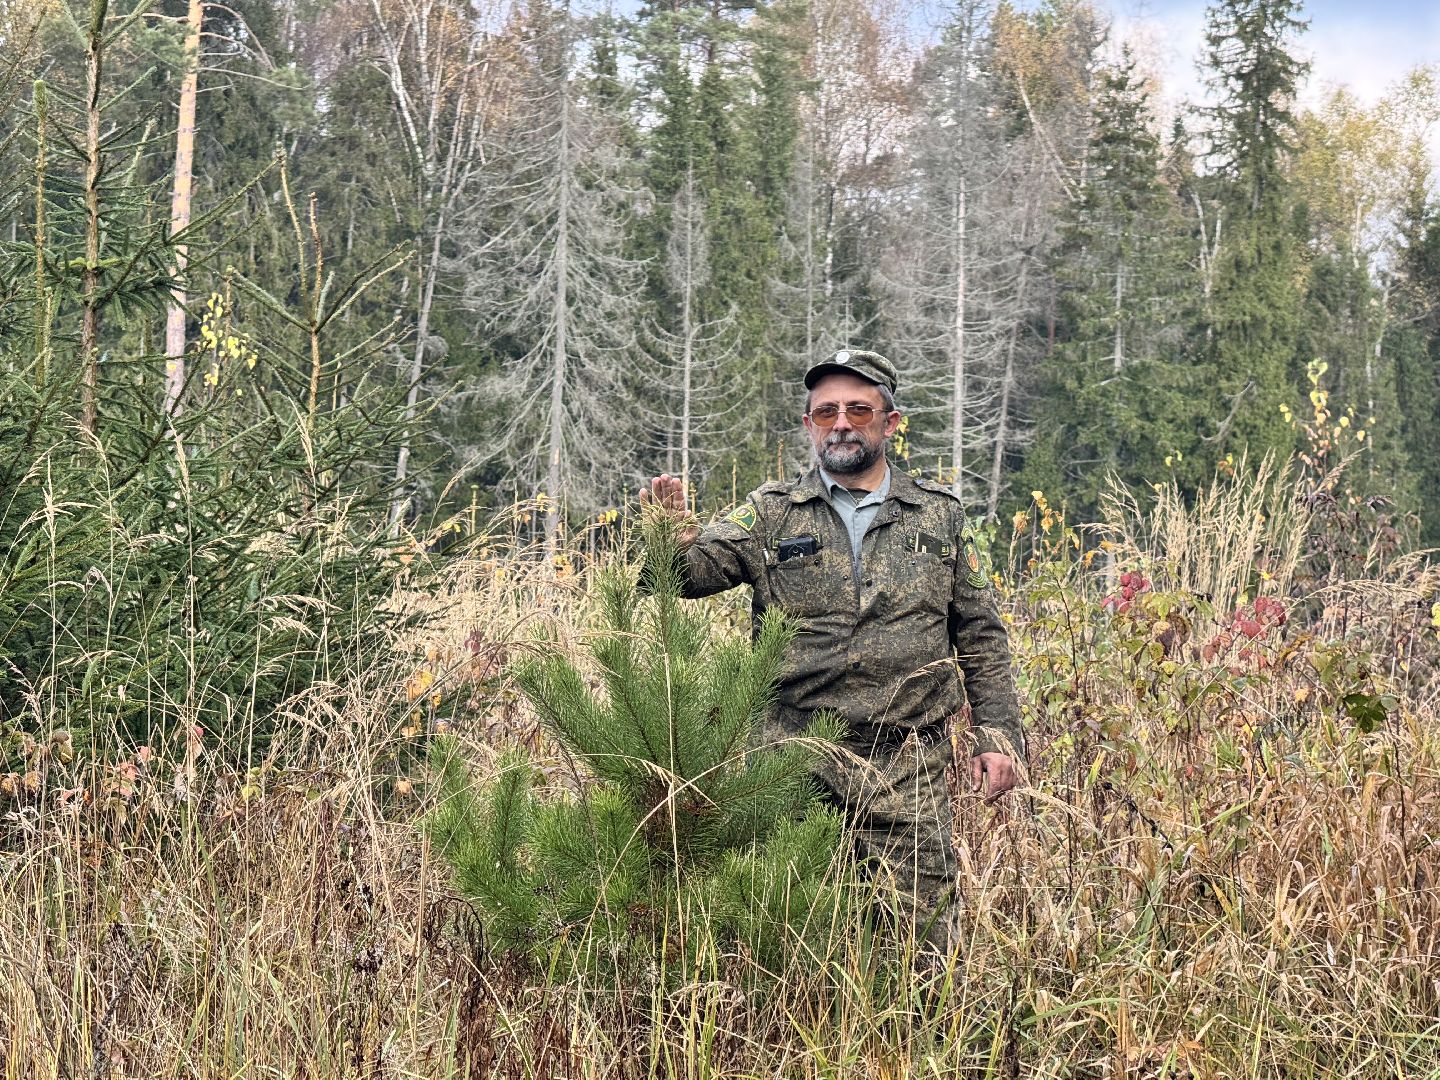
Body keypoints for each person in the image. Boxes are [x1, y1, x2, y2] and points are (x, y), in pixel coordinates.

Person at [640, 348, 1024, 953]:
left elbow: (980, 633)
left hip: (905, 767)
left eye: (857, 409)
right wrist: (666, 533)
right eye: (825, 413)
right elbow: (684, 577)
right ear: (808, 425)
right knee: (791, 941)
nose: (840, 423)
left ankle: (910, 1045)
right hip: (793, 764)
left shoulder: (940, 516)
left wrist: (997, 738)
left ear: (890, 421)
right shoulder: (770, 513)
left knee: (922, 947)